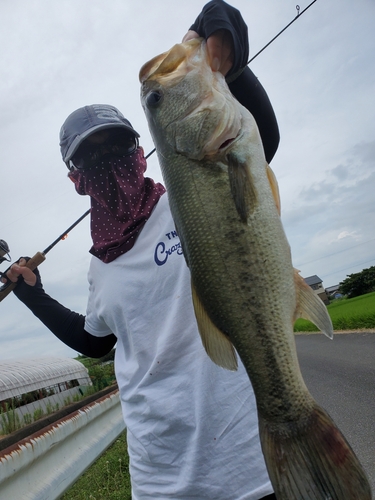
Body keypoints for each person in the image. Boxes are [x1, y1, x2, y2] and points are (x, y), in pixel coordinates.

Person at [5, 1, 279, 498]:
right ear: (74, 180)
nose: (110, 160)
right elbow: (95, 342)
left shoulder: (190, 197)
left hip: (249, 463)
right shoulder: (99, 268)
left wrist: (226, 47)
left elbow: (262, 139)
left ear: (141, 148)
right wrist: (32, 294)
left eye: (119, 145)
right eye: (92, 156)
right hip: (159, 478)